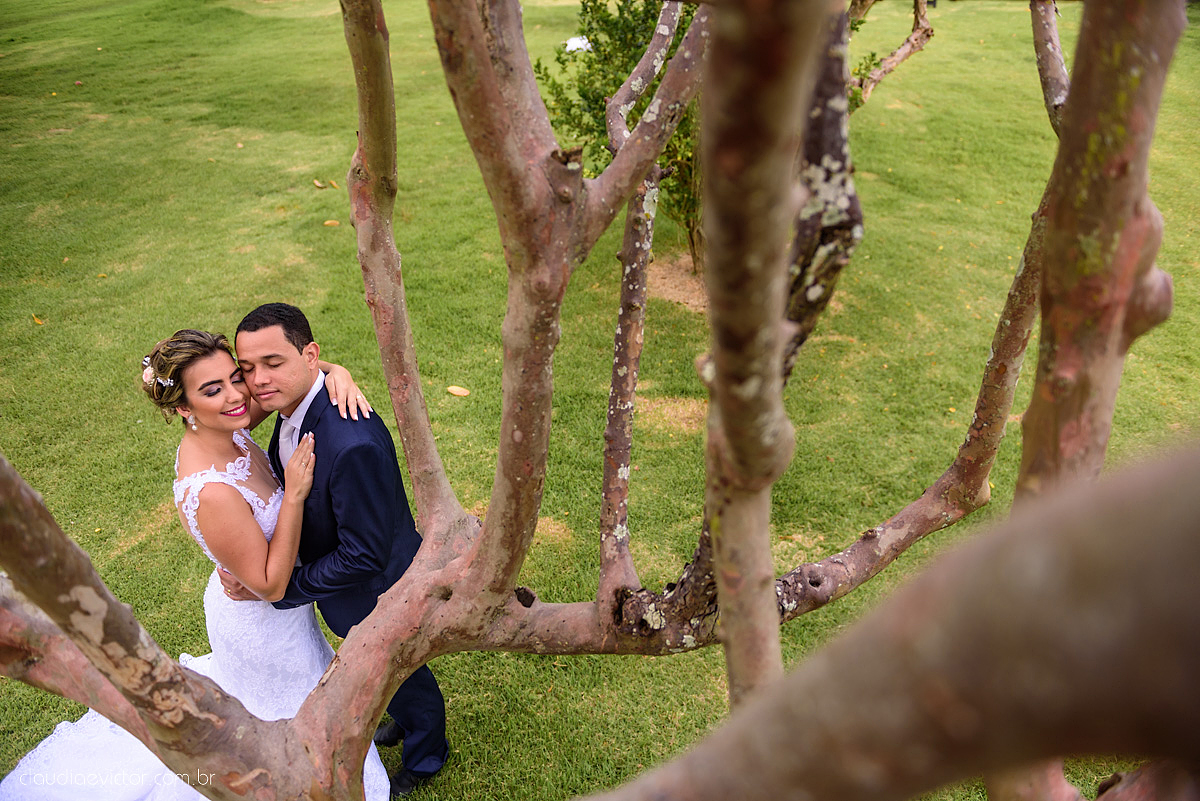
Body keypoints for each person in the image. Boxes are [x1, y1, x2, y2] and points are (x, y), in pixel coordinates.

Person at [0, 329, 390, 800]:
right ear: (184, 408)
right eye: (212, 389)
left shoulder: (228, 423)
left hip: (276, 615)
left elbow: (286, 379)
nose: (237, 395)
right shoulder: (211, 492)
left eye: (235, 377)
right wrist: (294, 496)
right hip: (262, 627)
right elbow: (270, 585)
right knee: (279, 729)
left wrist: (335, 371)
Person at [226, 303, 449, 798]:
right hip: (350, 586)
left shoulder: (351, 443)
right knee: (384, 673)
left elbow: (363, 555)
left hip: (376, 590)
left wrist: (282, 589)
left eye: (273, 363)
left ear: (310, 355)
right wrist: (334, 370)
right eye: (248, 367)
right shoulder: (295, 404)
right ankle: (403, 720)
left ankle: (427, 754)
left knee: (403, 673)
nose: (258, 380)